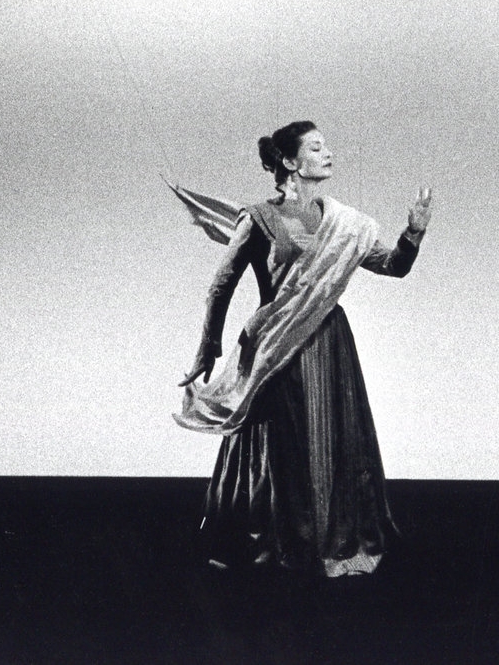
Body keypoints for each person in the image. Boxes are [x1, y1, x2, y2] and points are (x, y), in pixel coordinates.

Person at [170, 121, 434, 577]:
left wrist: (413, 233)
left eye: (326, 144)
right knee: (282, 443)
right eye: (316, 147)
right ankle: (276, 543)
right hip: (276, 344)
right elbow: (221, 284)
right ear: (291, 162)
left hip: (328, 343)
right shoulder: (260, 217)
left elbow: (393, 267)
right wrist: (208, 345)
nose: (328, 152)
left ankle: (333, 540)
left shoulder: (346, 222)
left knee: (331, 436)